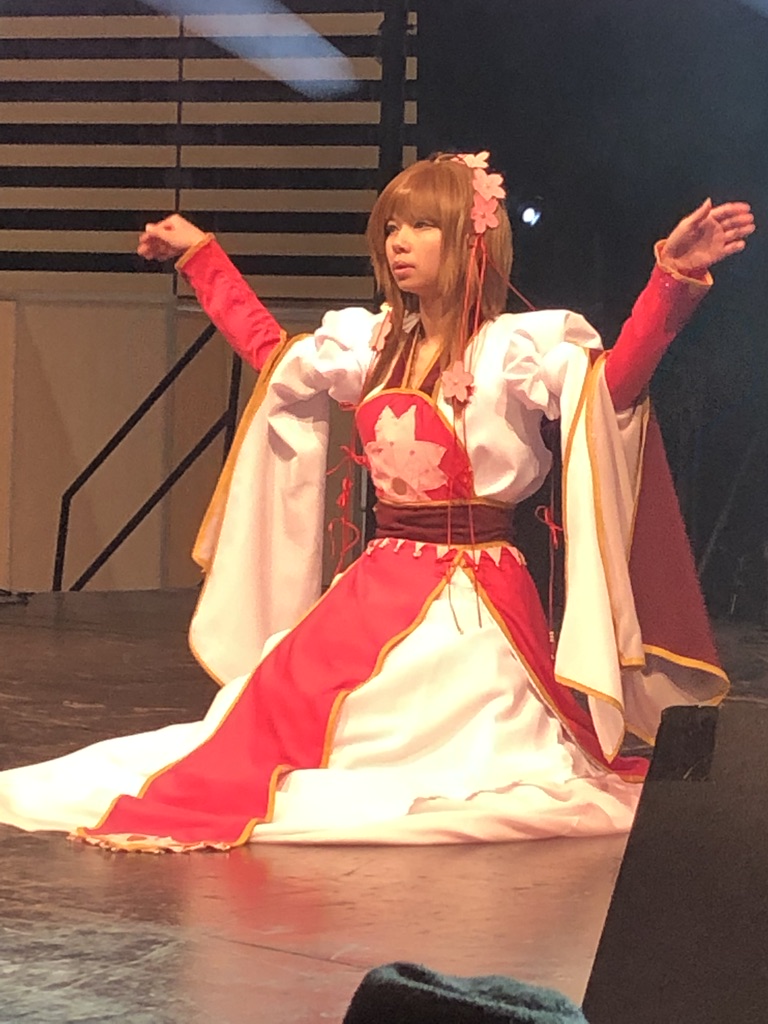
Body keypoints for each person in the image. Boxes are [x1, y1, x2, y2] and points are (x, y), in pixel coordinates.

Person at [0, 153, 754, 852]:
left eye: (422, 225)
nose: (399, 242)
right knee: (274, 705)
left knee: (455, 730)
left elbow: (613, 385)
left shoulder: (514, 349)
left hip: (476, 594)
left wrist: (672, 281)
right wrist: (204, 259)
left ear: (471, 240)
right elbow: (274, 355)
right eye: (392, 226)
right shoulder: (374, 341)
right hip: (379, 576)